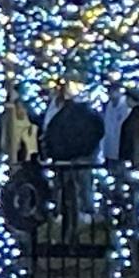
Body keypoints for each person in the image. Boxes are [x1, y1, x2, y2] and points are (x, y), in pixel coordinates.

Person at [41, 81, 103, 232]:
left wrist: (52, 153)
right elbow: (98, 132)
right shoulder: (89, 114)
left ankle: (63, 214)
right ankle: (85, 214)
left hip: (65, 159)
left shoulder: (60, 114)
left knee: (65, 188)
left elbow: (51, 133)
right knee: (82, 187)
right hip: (81, 158)